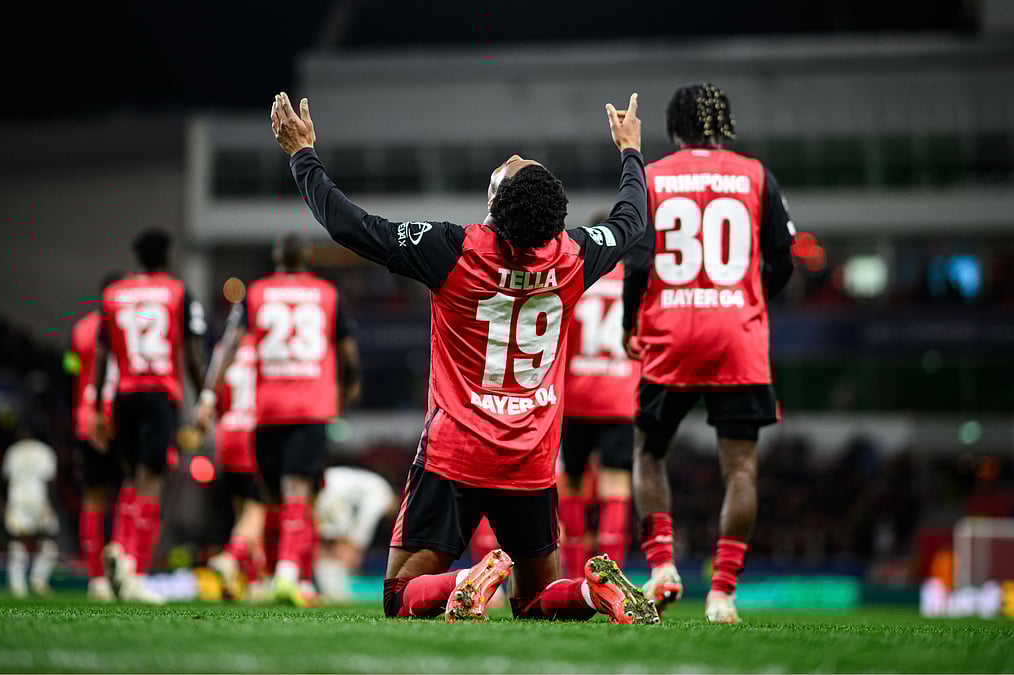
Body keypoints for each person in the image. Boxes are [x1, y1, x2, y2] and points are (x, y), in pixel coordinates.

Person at [271, 91, 656, 624]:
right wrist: (631, 151)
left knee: (397, 595)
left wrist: (303, 155)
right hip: (531, 459)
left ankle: (464, 582)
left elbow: (349, 225)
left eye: (512, 167)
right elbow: (632, 219)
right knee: (533, 603)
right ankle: (596, 594)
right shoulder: (573, 257)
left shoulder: (455, 250)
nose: (514, 157)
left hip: (457, 453)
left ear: (495, 205)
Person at [622, 83, 796, 623]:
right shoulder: (756, 174)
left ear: (675, 128)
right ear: (724, 125)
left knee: (649, 453)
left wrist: (632, 321)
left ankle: (661, 568)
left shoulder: (652, 177)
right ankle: (722, 594)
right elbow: (785, 260)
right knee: (740, 467)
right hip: (736, 336)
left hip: (670, 334)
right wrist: (745, 299)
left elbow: (636, 263)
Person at [195, 233, 362, 606]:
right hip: (311, 408)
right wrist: (347, 388)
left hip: (267, 411)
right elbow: (349, 354)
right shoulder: (328, 294)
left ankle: (272, 573)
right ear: (308, 258)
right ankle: (288, 574)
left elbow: (230, 345)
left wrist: (207, 395)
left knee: (269, 497)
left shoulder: (256, 293)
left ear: (275, 257)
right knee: (299, 491)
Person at [90, 229, 209, 603]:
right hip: (159, 393)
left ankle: (121, 554)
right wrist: (204, 398)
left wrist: (96, 406)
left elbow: (102, 353)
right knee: (151, 480)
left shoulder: (114, 294)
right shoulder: (176, 291)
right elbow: (191, 355)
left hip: (124, 394)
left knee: (129, 478)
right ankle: (136, 569)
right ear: (167, 257)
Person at [558, 211, 641, 579]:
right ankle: (611, 579)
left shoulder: (579, 278)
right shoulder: (638, 284)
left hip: (576, 398)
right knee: (616, 485)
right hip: (621, 399)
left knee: (571, 484)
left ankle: (574, 576)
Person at [71, 270, 129, 602]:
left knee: (93, 499)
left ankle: (96, 578)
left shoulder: (81, 329)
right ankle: (123, 568)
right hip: (120, 420)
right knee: (126, 497)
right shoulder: (129, 322)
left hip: (87, 420)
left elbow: (71, 370)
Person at [205, 334, 267, 600]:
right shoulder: (264, 345)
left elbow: (214, 391)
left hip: (227, 435)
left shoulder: (225, 348)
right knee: (258, 509)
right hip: (254, 434)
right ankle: (231, 557)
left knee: (241, 510)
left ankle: (250, 581)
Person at [312, 465, 396, 604]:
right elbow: (367, 518)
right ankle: (334, 589)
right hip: (329, 492)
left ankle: (327, 587)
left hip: (324, 488)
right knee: (339, 545)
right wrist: (356, 548)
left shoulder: (377, 485)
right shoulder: (384, 495)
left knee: (328, 543)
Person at [3, 427, 58, 597]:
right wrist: (51, 505)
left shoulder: (12, 451)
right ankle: (38, 580)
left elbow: (6, 479)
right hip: (38, 501)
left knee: (19, 541)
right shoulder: (45, 451)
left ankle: (18, 585)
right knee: (48, 542)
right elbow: (50, 481)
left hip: (17, 500)